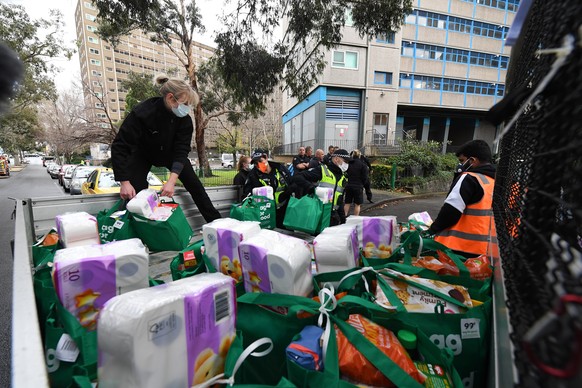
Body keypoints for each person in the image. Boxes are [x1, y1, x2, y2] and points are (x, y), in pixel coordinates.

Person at [111, 73, 221, 222]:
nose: (187, 109)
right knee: (134, 190)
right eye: (185, 103)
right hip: (143, 154)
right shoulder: (142, 113)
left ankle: (216, 223)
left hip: (171, 154)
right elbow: (120, 146)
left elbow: (181, 150)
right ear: (170, 98)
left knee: (195, 186)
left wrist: (171, 181)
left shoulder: (185, 121)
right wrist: (124, 182)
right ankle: (132, 228)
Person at [426, 139, 498, 258]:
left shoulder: (469, 178)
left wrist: (431, 230)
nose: (460, 165)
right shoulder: (498, 182)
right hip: (490, 251)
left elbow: (451, 211)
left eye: (462, 161)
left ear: (472, 160)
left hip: (460, 250)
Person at [292, 149, 348, 226]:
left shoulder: (343, 177)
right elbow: (298, 177)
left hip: (333, 218)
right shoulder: (322, 170)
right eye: (346, 161)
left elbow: (339, 200)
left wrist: (343, 219)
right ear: (336, 159)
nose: (347, 164)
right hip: (319, 215)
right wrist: (310, 187)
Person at [243, 149, 293, 228]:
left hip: (285, 211)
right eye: (255, 163)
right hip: (266, 214)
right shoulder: (253, 175)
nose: (258, 165)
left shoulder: (279, 169)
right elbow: (247, 195)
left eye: (260, 161)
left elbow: (291, 182)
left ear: (266, 157)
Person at [341, 150, 368, 217]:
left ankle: (343, 219)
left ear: (352, 155)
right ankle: (355, 219)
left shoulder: (349, 164)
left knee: (347, 203)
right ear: (359, 156)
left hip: (349, 185)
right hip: (358, 186)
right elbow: (365, 177)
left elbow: (345, 174)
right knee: (357, 204)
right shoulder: (363, 165)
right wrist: (363, 184)